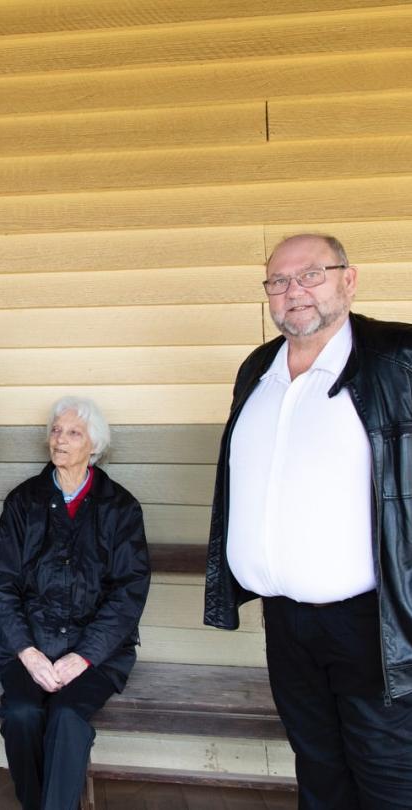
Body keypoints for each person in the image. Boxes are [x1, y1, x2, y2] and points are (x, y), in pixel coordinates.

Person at [204, 233, 412, 808]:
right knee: (317, 765)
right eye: (278, 281)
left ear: (349, 279)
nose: (293, 291)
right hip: (286, 622)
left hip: (373, 622)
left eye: (311, 275)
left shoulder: (397, 357)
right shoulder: (258, 369)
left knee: (389, 772)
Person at [0, 396, 150, 810]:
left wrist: (84, 656)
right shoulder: (24, 502)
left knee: (66, 717)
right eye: (56, 431)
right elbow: (1, 582)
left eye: (73, 432)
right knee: (22, 714)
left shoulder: (120, 507)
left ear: (94, 445)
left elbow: (128, 592)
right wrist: (27, 651)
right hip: (27, 647)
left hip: (98, 655)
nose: (60, 440)